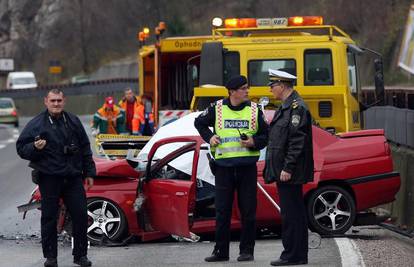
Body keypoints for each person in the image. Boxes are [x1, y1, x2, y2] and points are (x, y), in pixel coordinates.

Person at [16, 89, 95, 267]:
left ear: (64, 101)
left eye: (59, 100)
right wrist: (35, 148)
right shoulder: (36, 124)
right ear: (46, 102)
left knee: (81, 216)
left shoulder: (73, 120)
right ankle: (50, 257)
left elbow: (85, 147)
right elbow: (21, 149)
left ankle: (80, 255)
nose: (56, 104)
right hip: (49, 178)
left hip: (73, 177)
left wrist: (89, 173)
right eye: (53, 101)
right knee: (49, 218)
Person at [194, 75, 268, 262]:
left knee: (248, 211)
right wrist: (209, 137)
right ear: (232, 91)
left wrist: (253, 142)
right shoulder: (217, 108)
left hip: (246, 167)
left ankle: (247, 251)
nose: (247, 91)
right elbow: (199, 123)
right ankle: (221, 251)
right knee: (222, 211)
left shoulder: (254, 109)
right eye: (243, 88)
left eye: (247, 88)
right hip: (223, 168)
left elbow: (266, 136)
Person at [264, 69, 314, 266]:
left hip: (289, 172)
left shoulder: (296, 108)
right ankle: (297, 255)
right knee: (294, 213)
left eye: (273, 85)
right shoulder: (286, 107)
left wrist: (288, 167)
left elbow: (297, 141)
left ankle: (292, 255)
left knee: (291, 214)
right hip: (285, 170)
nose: (270, 89)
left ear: (282, 86)